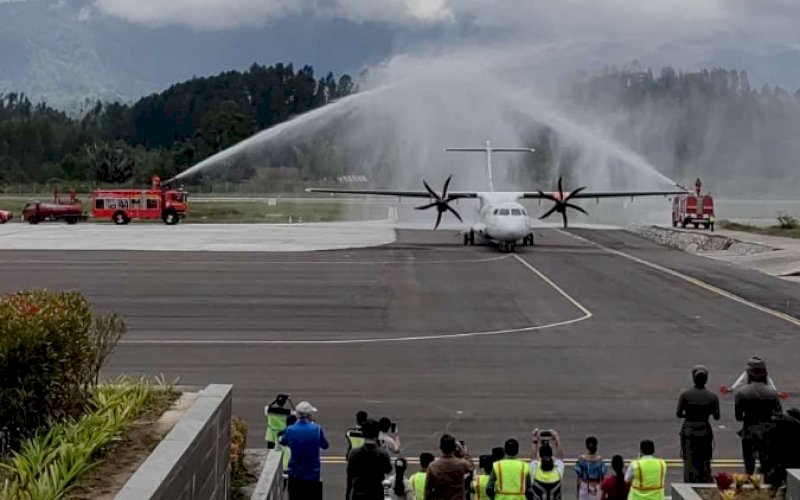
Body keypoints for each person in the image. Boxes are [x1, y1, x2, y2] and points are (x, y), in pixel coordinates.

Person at [734, 356, 783, 474]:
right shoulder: (772, 393)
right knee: (767, 467)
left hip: (749, 431)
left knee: (749, 467)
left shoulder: (742, 393)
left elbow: (738, 417)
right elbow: (779, 414)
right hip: (768, 433)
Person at [676, 365, 720, 483]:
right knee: (705, 459)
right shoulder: (712, 396)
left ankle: (689, 481)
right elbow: (716, 416)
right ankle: (704, 481)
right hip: (705, 430)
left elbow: (679, 413)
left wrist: (690, 415)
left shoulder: (685, 395)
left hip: (689, 430)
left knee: (689, 460)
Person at [278, 401, 329, 500]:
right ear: (309, 415)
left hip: (295, 474)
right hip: (313, 475)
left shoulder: (290, 430)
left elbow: (283, 441)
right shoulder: (317, 429)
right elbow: (325, 445)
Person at [346, 418, 393, 500]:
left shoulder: (354, 453)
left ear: (363, 434)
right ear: (377, 434)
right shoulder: (383, 454)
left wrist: (348, 495)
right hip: (376, 493)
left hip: (359, 492)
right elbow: (388, 470)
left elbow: (350, 474)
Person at [425, 434, 474, 500]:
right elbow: (471, 466)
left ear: (441, 448)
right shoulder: (461, 464)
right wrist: (463, 452)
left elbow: (428, 490)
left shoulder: (433, 466)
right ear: (454, 448)